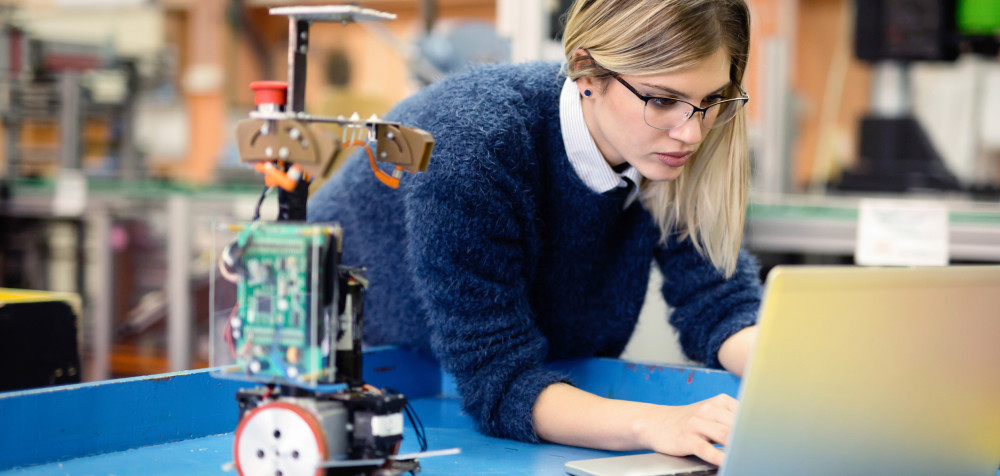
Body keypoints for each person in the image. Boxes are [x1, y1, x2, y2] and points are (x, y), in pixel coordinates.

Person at [309, 0, 761, 466]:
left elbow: (719, 307)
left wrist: (805, 379)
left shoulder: (666, 146)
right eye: (663, 100)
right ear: (586, 72)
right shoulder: (474, 147)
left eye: (712, 101)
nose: (691, 133)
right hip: (336, 370)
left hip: (490, 387)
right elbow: (499, 382)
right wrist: (659, 423)